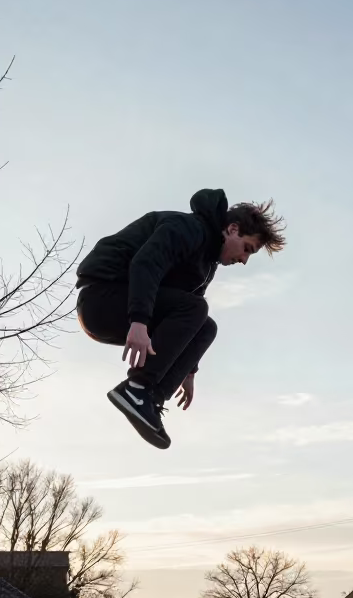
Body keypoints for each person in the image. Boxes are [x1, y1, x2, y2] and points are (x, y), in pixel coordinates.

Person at [75, 189, 286, 448]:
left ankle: (148, 398)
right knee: (197, 308)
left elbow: (189, 324)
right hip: (102, 297)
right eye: (247, 249)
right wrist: (139, 321)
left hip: (125, 304)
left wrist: (187, 370)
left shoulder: (206, 265)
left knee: (206, 326)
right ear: (232, 229)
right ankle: (136, 389)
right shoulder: (189, 228)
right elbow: (145, 263)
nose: (243, 260)